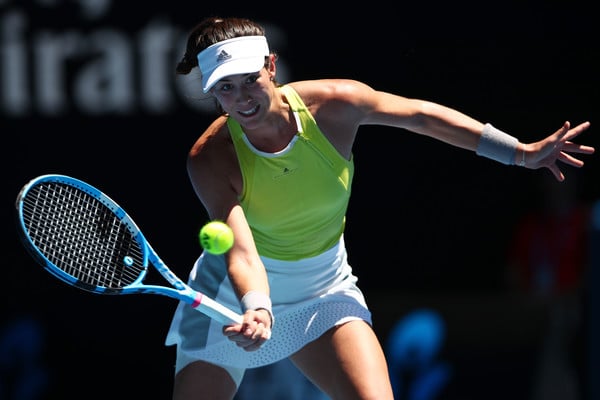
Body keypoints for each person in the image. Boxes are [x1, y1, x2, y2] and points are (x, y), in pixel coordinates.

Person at [165, 16, 594, 400]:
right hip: (230, 299)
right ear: (212, 95)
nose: (241, 97)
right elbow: (240, 250)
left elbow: (420, 116)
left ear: (272, 66)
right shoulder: (210, 157)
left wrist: (519, 152)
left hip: (323, 290)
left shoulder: (334, 105)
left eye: (249, 78)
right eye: (225, 87)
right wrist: (257, 305)